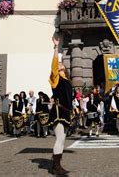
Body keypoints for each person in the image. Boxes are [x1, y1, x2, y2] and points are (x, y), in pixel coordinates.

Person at [48, 36, 72, 175]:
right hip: (58, 110)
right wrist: (56, 48)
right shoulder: (56, 78)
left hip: (65, 111)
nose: (59, 64)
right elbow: (54, 63)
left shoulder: (67, 80)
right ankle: (56, 167)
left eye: (61, 64)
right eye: (58, 65)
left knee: (62, 139)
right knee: (59, 138)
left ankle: (56, 164)